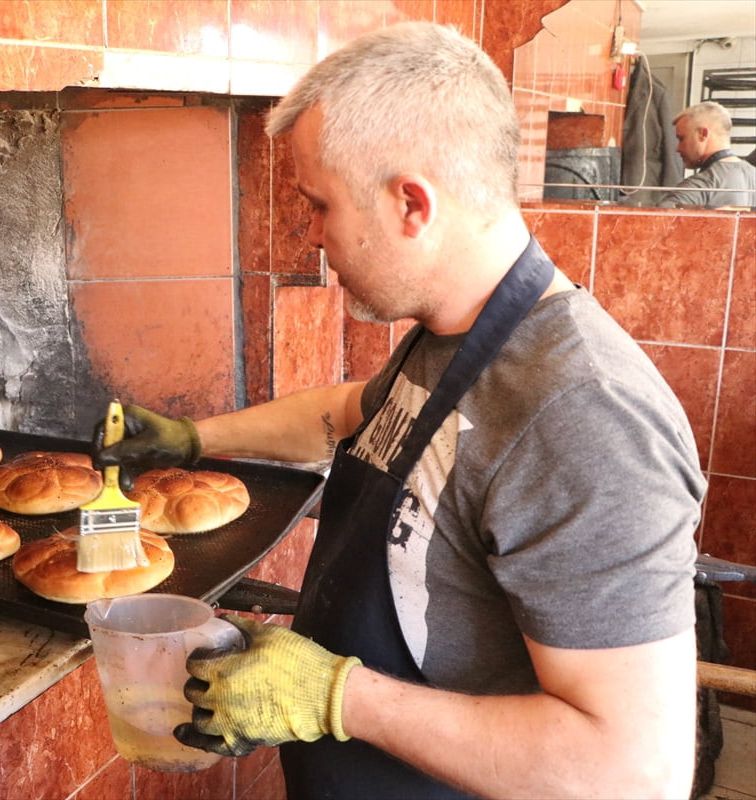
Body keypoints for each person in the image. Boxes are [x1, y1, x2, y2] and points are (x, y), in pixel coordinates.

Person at [94, 22, 706, 800]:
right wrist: (192, 439)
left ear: (411, 203)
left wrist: (334, 697)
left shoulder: (585, 415)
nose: (315, 239)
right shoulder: (455, 337)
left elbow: (634, 775)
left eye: (320, 206)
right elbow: (359, 412)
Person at [658, 101, 756, 208]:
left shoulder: (704, 183)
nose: (678, 148)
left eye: (682, 139)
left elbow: (657, 219)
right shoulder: (752, 174)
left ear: (703, 134)